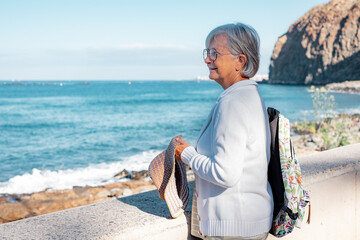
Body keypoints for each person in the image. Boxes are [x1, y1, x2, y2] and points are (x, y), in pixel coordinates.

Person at [174, 23, 273, 240]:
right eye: (207, 53)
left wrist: (187, 154)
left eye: (214, 53)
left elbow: (225, 172)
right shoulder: (250, 96)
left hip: (234, 229)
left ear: (240, 60)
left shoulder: (234, 102)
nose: (207, 59)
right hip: (248, 223)